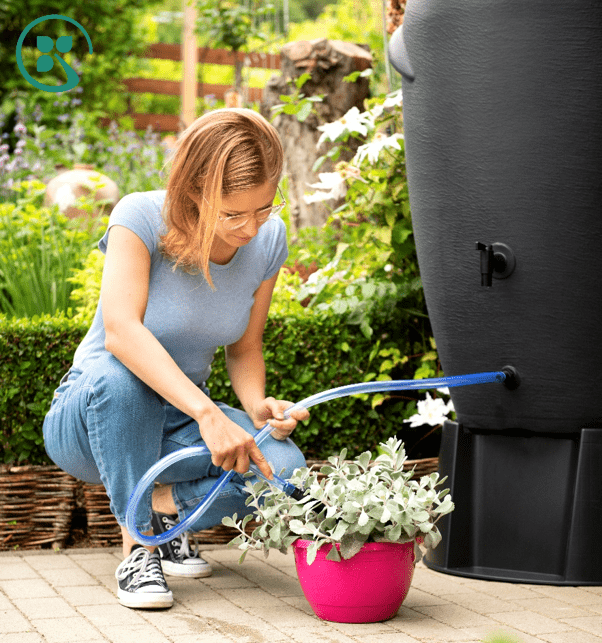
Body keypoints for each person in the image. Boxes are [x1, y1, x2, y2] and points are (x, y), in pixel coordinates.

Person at [42, 108, 309, 610]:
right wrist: (208, 414)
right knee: (126, 379)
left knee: (285, 473)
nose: (251, 228)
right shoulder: (139, 217)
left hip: (179, 420)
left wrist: (256, 409)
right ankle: (139, 548)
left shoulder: (268, 240)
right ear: (194, 193)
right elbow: (122, 333)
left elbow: (244, 347)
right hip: (93, 414)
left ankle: (165, 511)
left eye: (264, 208)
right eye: (233, 214)